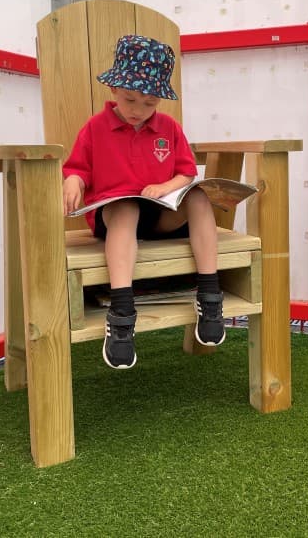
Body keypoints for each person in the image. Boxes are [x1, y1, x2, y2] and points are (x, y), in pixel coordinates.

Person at [62, 34, 225, 369]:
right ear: (113, 91)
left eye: (149, 103)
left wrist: (166, 186)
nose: (138, 110)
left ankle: (210, 296)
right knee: (125, 206)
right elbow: (77, 167)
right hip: (115, 219)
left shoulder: (168, 128)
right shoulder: (95, 129)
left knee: (197, 196)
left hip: (160, 214)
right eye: (130, 99)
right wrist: (73, 181)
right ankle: (122, 312)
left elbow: (186, 173)